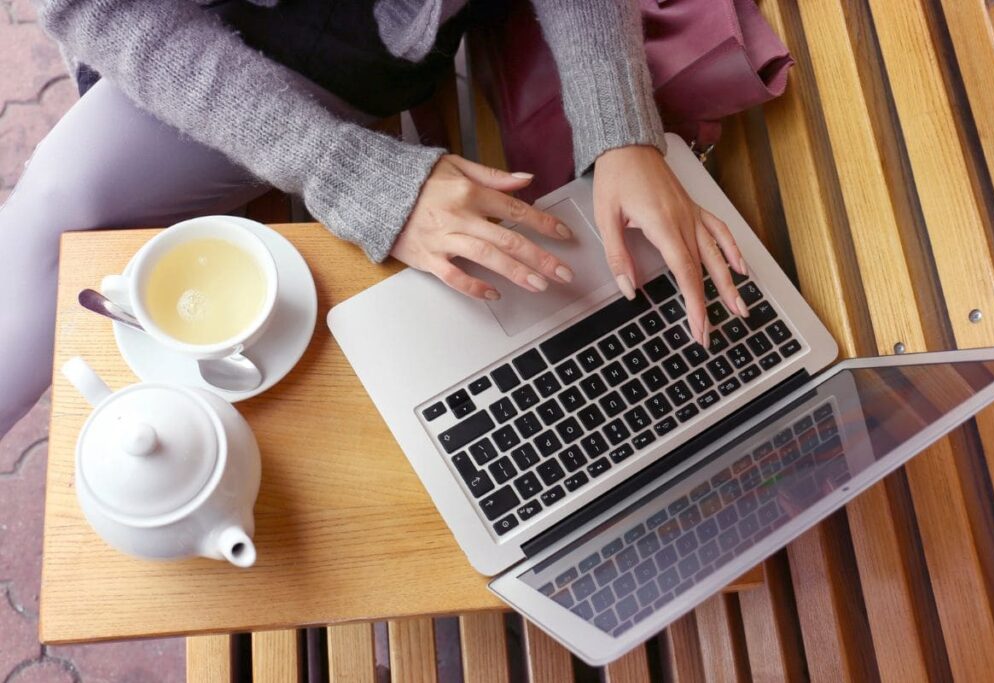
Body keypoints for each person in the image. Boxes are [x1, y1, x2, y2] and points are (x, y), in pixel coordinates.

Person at [0, 0, 749, 438]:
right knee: (49, 220)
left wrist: (619, 124)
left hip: (382, 58)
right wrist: (343, 172)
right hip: (222, 47)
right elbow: (102, 10)